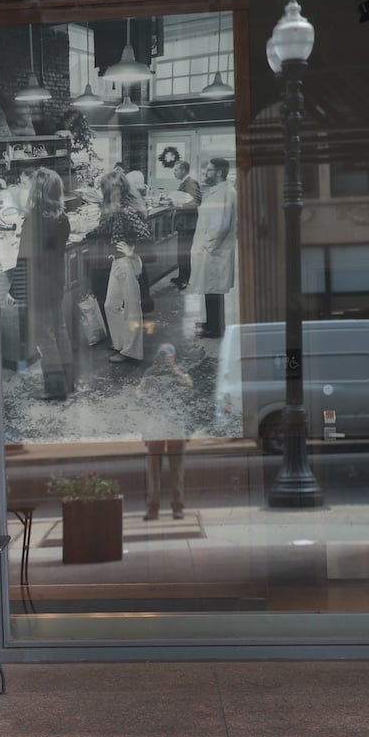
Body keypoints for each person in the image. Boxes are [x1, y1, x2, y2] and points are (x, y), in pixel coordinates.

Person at [22, 167, 74, 399]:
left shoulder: (33, 220)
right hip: (56, 282)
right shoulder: (62, 218)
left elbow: (24, 258)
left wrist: (15, 290)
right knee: (60, 331)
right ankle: (68, 382)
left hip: (39, 286)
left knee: (46, 338)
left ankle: (55, 389)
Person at [91, 170, 150, 364]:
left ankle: (132, 351)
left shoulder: (127, 209)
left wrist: (131, 251)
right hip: (117, 262)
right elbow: (103, 231)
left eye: (107, 190)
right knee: (111, 305)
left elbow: (146, 236)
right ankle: (119, 343)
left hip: (127, 263)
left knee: (132, 307)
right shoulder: (117, 207)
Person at [136, 343, 193, 520]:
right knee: (153, 470)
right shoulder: (150, 372)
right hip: (156, 424)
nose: (166, 359)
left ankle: (178, 506)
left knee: (177, 470)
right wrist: (153, 374)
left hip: (175, 425)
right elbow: (139, 394)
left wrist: (175, 371)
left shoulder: (181, 370)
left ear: (174, 357)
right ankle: (153, 507)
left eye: (168, 356)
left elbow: (190, 388)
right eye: (163, 356)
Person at [190, 157, 237, 339]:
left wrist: (208, 247)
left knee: (214, 290)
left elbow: (221, 227)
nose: (205, 173)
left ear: (218, 173)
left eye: (208, 170)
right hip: (211, 250)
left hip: (214, 251)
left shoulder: (225, 193)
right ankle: (211, 323)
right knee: (210, 290)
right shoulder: (217, 191)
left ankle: (215, 328)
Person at [169, 160, 203, 290]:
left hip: (187, 225)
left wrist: (180, 206)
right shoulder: (185, 182)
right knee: (182, 252)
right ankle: (181, 276)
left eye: (176, 170)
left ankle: (184, 279)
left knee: (184, 252)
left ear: (183, 170)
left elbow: (197, 202)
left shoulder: (190, 182)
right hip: (184, 224)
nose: (174, 173)